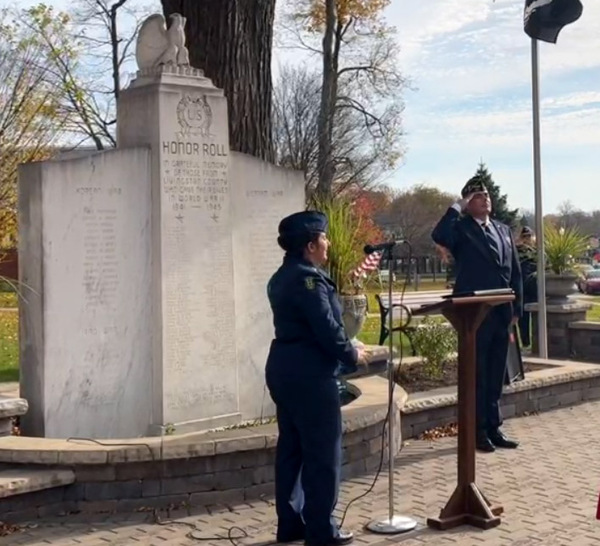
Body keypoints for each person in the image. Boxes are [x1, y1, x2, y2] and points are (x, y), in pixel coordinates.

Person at [265, 211, 366, 546]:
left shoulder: (282, 276)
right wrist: (352, 354)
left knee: (292, 449)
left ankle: (290, 524)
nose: (328, 243)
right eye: (323, 238)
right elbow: (326, 328)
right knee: (322, 453)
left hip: (284, 367)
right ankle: (322, 530)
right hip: (309, 373)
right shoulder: (309, 279)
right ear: (310, 246)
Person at [431, 180, 523, 453]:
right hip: (474, 314)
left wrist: (516, 310)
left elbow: (514, 271)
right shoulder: (460, 229)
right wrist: (456, 207)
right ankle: (477, 430)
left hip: (501, 312)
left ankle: (494, 427)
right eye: (478, 196)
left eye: (487, 195)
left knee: (496, 374)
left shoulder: (503, 230)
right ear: (468, 202)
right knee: (478, 374)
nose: (485, 199)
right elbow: (439, 235)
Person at [516, 226, 538, 347]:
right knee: (523, 318)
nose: (527, 239)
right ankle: (525, 343)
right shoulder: (517, 251)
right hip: (522, 288)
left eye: (529, 236)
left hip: (534, 288)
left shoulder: (537, 252)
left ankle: (537, 342)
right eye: (525, 236)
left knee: (537, 317)